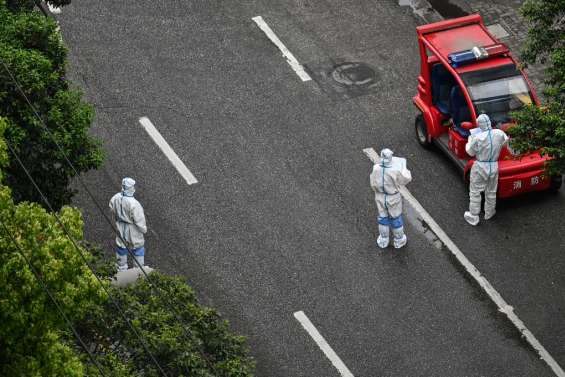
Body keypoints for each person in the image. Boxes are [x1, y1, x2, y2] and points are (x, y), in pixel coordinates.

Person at [464, 114, 509, 226]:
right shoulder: (499, 133)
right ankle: (489, 212)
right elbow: (505, 145)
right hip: (493, 166)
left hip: (480, 166)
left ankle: (473, 216)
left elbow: (470, 152)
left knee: (475, 191)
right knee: (491, 191)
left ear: (480, 125)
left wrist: (470, 140)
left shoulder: (477, 138)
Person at [370, 148, 412, 249]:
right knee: (395, 219)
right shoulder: (395, 170)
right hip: (392, 197)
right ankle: (399, 240)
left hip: (380, 196)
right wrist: (404, 169)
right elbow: (406, 179)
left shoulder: (376, 168)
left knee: (383, 218)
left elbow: (372, 183)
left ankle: (383, 240)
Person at [109, 177, 147, 271]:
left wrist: (117, 219)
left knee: (121, 246)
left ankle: (121, 268)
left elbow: (111, 207)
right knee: (137, 247)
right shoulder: (134, 203)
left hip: (120, 226)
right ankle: (139, 269)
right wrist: (143, 229)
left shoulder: (116, 197)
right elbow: (139, 219)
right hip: (132, 228)